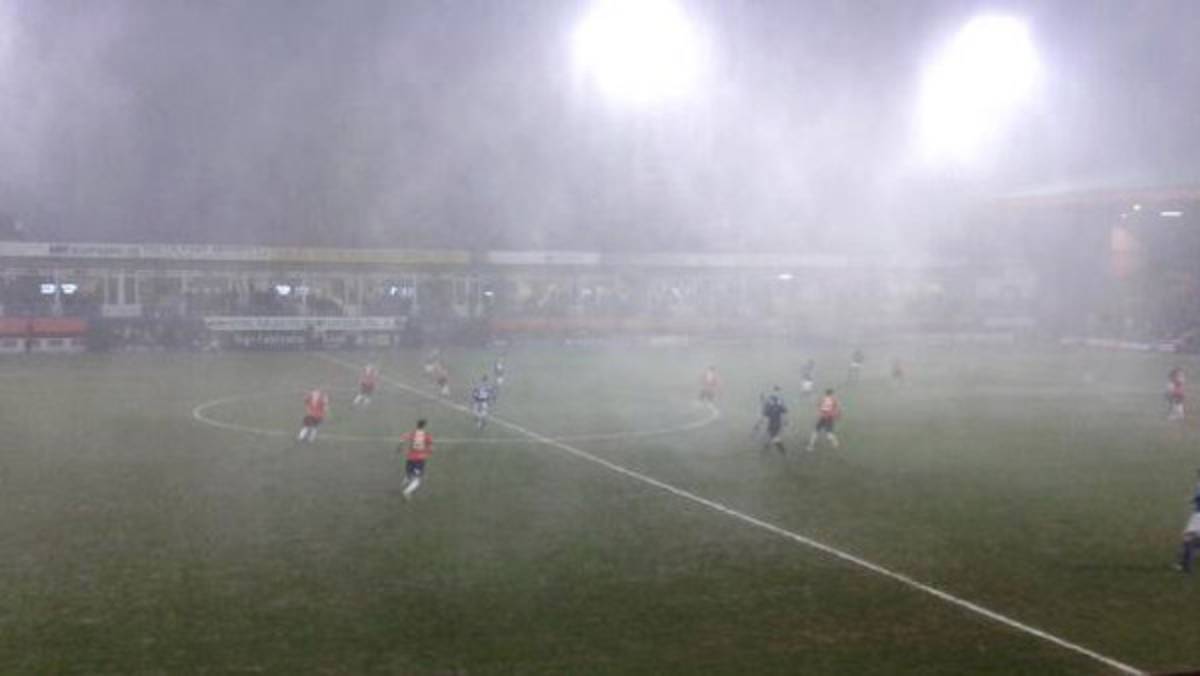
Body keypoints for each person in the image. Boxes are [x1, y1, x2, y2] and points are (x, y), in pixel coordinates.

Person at [399, 419, 434, 501]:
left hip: (410, 458)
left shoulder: (412, 433)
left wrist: (399, 447)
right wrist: (429, 452)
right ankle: (406, 492)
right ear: (424, 426)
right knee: (417, 480)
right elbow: (431, 448)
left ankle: (406, 480)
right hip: (419, 459)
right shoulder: (426, 435)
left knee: (409, 475)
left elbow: (403, 438)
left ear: (417, 425)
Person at [759, 386, 788, 454]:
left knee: (774, 437)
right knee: (769, 434)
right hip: (774, 422)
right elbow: (784, 410)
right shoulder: (778, 400)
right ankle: (766, 448)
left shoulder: (773, 402)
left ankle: (782, 451)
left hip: (775, 422)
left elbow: (766, 413)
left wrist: (761, 421)